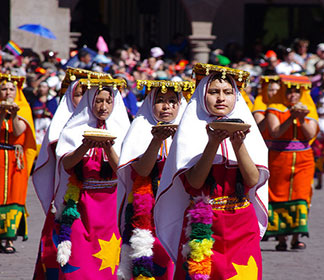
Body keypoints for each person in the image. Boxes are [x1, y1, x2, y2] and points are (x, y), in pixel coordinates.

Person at [154, 63, 269, 279]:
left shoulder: (247, 129)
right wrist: (212, 143)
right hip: (203, 223)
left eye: (227, 92)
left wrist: (238, 145)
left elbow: (252, 180)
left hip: (242, 222)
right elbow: (195, 183)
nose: (221, 98)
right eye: (214, 92)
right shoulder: (191, 130)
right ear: (203, 94)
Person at [33, 78, 130, 279]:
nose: (103, 107)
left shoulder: (122, 129)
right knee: (77, 261)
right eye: (98, 101)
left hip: (110, 206)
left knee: (107, 266)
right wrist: (84, 145)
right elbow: (67, 165)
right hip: (80, 204)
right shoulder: (75, 128)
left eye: (108, 101)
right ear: (90, 102)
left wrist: (108, 147)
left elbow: (121, 169)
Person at [117, 80, 194, 280]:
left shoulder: (190, 133)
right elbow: (142, 170)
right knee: (152, 259)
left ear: (180, 104)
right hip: (148, 209)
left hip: (181, 207)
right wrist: (156, 139)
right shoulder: (140, 129)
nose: (166, 106)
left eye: (172, 101)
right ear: (151, 104)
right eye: (160, 101)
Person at [32, 67, 112, 214]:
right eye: (79, 94)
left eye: (87, 94)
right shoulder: (61, 123)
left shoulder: (109, 123)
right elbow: (62, 162)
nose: (83, 99)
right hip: (72, 188)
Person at [265, 75, 319, 250]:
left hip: (304, 160)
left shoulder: (309, 108)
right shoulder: (275, 109)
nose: (293, 95)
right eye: (289, 91)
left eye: (297, 92)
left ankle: (296, 237)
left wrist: (301, 118)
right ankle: (281, 239)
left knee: (301, 196)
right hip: (279, 158)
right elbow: (275, 132)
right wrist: (290, 117)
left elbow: (310, 135)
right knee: (278, 195)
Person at [0, 74, 36, 253]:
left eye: (11, 89)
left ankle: (10, 239)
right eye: (4, 89)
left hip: (15, 158)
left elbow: (18, 131)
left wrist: (13, 114)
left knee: (15, 195)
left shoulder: (23, 108)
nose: (7, 92)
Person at [31, 81, 58, 154]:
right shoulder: (34, 100)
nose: (42, 89)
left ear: (48, 89)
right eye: (40, 87)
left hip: (47, 126)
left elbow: (55, 113)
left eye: (44, 87)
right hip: (37, 125)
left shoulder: (51, 100)